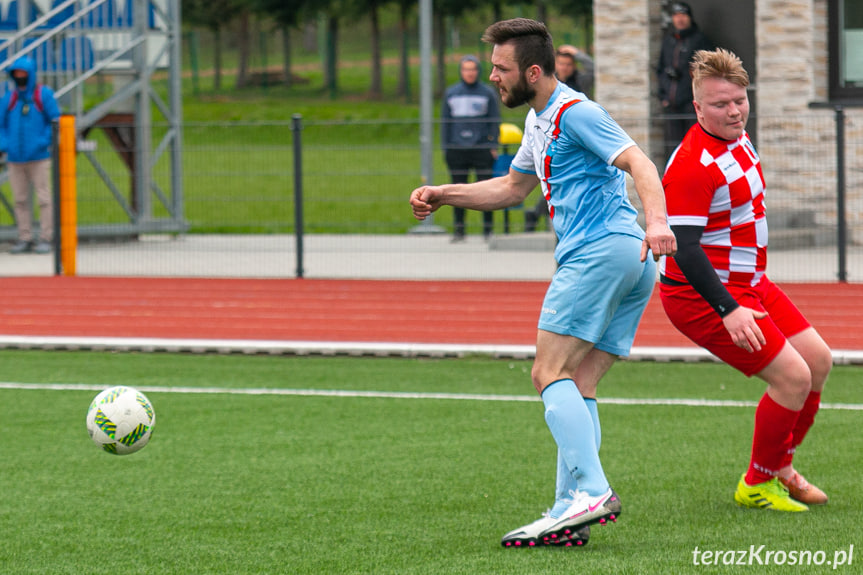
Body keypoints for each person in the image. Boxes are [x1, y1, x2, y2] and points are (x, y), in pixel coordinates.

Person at [410, 18, 677, 548]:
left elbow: (638, 162)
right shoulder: (539, 121)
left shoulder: (576, 112)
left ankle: (592, 491)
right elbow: (513, 188)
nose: (492, 77)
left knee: (546, 371)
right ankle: (566, 510)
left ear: (533, 71)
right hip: (629, 259)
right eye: (491, 67)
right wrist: (445, 193)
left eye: (501, 68)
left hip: (601, 253)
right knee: (579, 384)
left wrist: (659, 220)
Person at [660, 48, 832, 512]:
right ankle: (758, 482)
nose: (734, 111)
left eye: (739, 100)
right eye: (720, 104)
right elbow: (685, 245)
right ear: (697, 108)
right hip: (701, 296)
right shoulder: (693, 163)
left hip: (751, 282)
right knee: (792, 377)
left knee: (817, 361)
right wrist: (728, 309)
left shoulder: (739, 137)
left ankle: (781, 467)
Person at [524, 44, 594, 232]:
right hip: (552, 133)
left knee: (562, 179)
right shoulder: (546, 85)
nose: (564, 68)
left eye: (568, 64)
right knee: (552, 177)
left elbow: (595, 69)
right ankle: (537, 213)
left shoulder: (580, 82)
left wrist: (577, 52)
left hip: (575, 135)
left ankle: (536, 213)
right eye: (561, 63)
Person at [0, 56, 61, 254]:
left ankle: (46, 236)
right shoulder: (9, 99)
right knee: (20, 200)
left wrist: (42, 142)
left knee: (44, 198)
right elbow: (1, 125)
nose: (20, 77)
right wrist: (5, 144)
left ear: (31, 74)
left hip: (39, 157)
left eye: (23, 74)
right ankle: (24, 237)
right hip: (15, 158)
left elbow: (55, 122)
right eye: (16, 74)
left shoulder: (44, 95)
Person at [441, 55, 500, 241]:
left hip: (481, 148)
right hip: (457, 150)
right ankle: (459, 230)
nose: (470, 73)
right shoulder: (451, 93)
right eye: (466, 69)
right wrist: (446, 147)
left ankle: (487, 230)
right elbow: (445, 123)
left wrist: (492, 145)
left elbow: (494, 121)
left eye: (473, 69)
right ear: (461, 71)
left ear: (478, 71)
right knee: (457, 190)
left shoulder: (487, 93)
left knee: (486, 190)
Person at [655, 1, 713, 162]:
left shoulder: (699, 40)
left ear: (689, 17)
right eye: (676, 16)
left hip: (691, 104)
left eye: (683, 15)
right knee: (674, 148)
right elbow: (660, 68)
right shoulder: (669, 41)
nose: (680, 19)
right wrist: (663, 97)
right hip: (671, 105)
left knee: (694, 145)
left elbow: (708, 70)